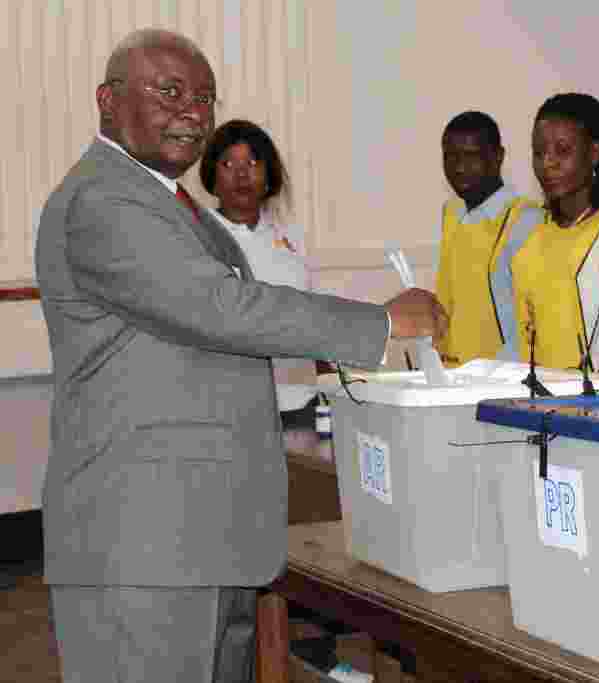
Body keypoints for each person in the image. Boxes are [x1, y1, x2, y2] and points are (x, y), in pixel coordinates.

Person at [35, 28, 446, 683]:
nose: (195, 112)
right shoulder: (103, 199)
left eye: (205, 98)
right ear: (107, 101)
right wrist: (380, 321)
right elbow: (219, 308)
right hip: (143, 543)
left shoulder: (172, 206)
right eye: (170, 91)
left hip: (205, 536)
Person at [510, 93, 599, 375]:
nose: (547, 163)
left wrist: (590, 414)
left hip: (593, 407)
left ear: (594, 153)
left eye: (562, 151)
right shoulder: (535, 235)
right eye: (539, 152)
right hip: (539, 404)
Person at [200, 119, 318, 449]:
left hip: (298, 403)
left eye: (252, 163)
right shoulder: (197, 237)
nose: (241, 175)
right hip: (227, 411)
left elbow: (313, 316)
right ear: (212, 176)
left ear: (269, 175)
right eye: (228, 164)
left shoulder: (291, 238)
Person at [434, 111, 539, 366]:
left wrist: (495, 376)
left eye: (471, 157)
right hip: (450, 372)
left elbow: (531, 317)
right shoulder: (452, 211)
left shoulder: (526, 218)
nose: (459, 168)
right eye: (450, 157)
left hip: (499, 378)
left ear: (497, 157)